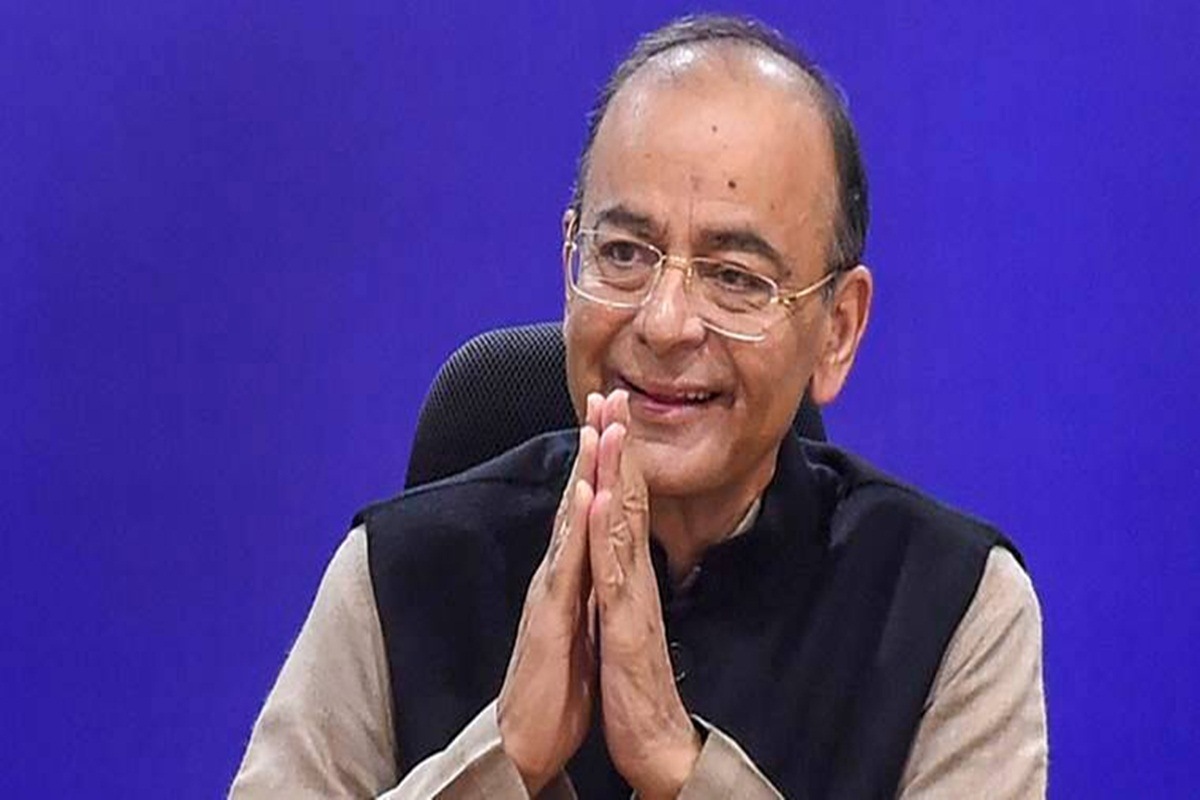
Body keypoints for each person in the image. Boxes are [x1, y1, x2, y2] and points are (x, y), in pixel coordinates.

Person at [231, 14, 1047, 799]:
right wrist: (504, 756)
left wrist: (678, 765)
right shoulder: (394, 571)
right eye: (623, 253)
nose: (663, 322)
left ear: (838, 330)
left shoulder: (951, 608)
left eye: (735, 277)